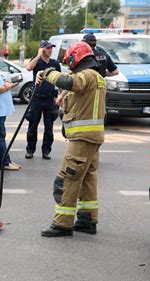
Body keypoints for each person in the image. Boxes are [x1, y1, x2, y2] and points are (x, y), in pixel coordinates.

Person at [36, 42, 106, 237]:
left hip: (82, 139)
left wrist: (48, 73)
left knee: (66, 179)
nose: (70, 67)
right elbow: (81, 104)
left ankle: (62, 224)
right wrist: (61, 111)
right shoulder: (98, 78)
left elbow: (70, 83)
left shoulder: (86, 76)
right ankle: (87, 219)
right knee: (87, 179)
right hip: (92, 138)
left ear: (77, 59)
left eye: (70, 63)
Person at [24, 40, 61, 160]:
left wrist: (60, 96)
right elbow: (29, 68)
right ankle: (30, 149)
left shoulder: (55, 64)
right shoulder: (37, 62)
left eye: (51, 48)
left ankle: (46, 150)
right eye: (48, 48)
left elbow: (59, 81)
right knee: (32, 126)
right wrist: (38, 55)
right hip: (36, 99)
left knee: (49, 128)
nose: (51, 50)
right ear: (42, 49)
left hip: (49, 99)